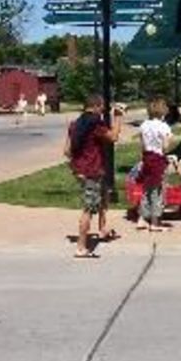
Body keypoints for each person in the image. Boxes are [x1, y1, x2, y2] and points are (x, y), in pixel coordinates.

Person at [65, 95, 124, 256]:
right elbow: (113, 137)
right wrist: (118, 118)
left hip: (83, 170)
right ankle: (81, 247)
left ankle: (103, 229)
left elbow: (67, 151)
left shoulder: (75, 124)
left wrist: (78, 166)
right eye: (102, 107)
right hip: (91, 171)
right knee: (88, 208)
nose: (103, 110)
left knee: (103, 197)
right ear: (97, 106)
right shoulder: (94, 124)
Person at [137, 97, 174, 232]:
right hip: (158, 159)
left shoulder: (144, 125)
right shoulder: (164, 127)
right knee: (158, 190)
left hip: (147, 158)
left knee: (146, 189)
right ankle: (155, 221)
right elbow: (165, 147)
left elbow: (142, 145)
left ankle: (142, 218)